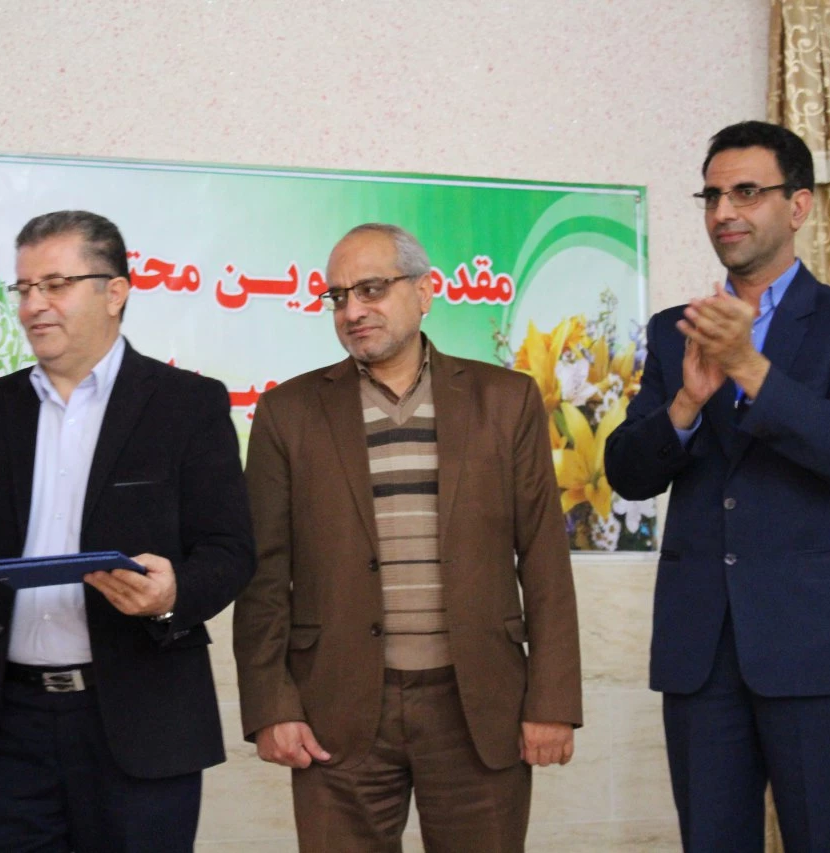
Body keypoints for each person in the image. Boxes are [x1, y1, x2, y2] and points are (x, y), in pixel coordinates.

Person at [0, 210, 254, 852]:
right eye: (24, 288)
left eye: (55, 285)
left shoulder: (187, 405)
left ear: (114, 292)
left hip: (139, 720)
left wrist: (173, 593)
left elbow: (230, 549)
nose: (34, 305)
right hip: (9, 726)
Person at [232, 223, 583, 852]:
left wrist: (552, 700)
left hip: (478, 705)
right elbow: (263, 575)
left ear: (424, 292)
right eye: (338, 296)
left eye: (371, 289)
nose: (352, 311)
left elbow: (544, 560)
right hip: (334, 709)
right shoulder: (289, 412)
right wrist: (271, 705)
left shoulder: (505, 400)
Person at [604, 121, 830, 852]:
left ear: (798, 206)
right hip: (700, 655)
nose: (723, 212)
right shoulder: (674, 330)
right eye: (711, 196)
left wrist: (749, 366)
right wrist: (686, 402)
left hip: (813, 650)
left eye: (745, 192)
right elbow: (628, 475)